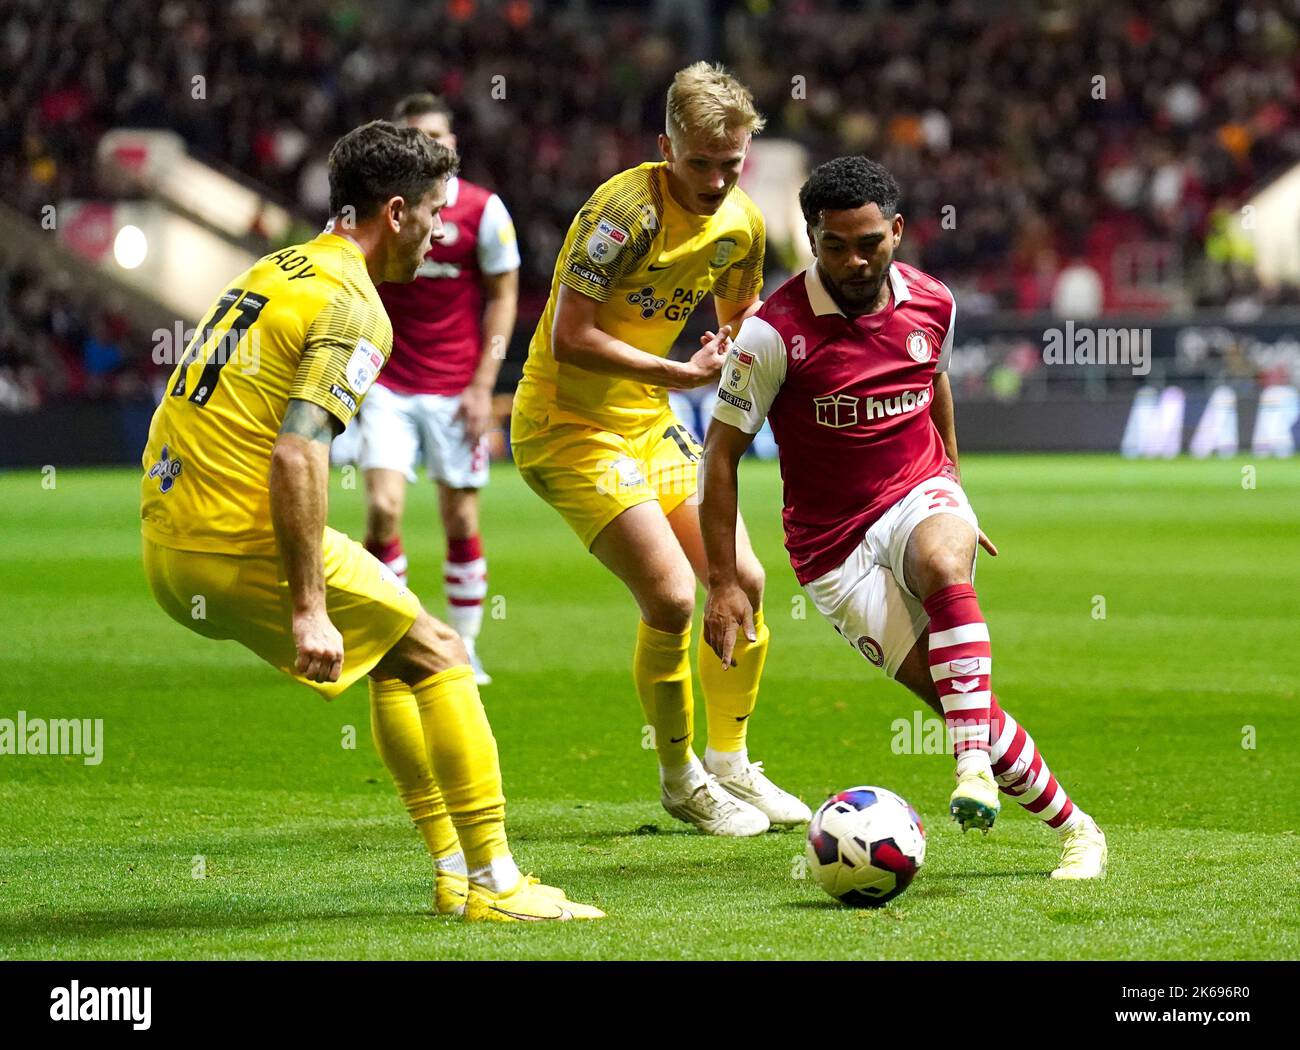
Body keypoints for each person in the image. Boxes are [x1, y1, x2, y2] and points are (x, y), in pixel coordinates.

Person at [140, 120, 603, 920]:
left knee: (397, 657)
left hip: (172, 534)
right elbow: (297, 454)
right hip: (235, 539)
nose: (438, 233)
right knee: (444, 651)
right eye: (432, 215)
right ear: (394, 212)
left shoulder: (279, 267)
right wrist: (309, 606)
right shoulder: (356, 308)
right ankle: (499, 884)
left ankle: (456, 873)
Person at [699, 155, 1107, 878]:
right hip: (832, 549)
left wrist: (951, 482)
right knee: (957, 697)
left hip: (917, 489)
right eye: (835, 246)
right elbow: (721, 456)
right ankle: (1071, 820)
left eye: (870, 244)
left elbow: (934, 383)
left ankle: (991, 781)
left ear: (897, 230)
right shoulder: (771, 333)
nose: (855, 262)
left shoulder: (933, 302)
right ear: (811, 239)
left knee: (947, 563)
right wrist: (725, 582)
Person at [511, 62, 809, 836]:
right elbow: (569, 338)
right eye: (699, 163)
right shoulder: (622, 213)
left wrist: (743, 344)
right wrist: (682, 372)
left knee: (742, 576)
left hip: (646, 418)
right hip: (565, 423)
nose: (714, 181)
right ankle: (680, 779)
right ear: (665, 146)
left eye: (730, 164)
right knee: (676, 596)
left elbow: (740, 314)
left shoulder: (742, 221)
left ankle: (731, 762)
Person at [361, 92, 520, 687]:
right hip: (386, 383)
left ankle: (467, 646)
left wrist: (485, 384)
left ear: (454, 145)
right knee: (381, 509)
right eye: (415, 136)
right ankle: (400, 637)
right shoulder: (381, 210)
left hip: (457, 386)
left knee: (458, 518)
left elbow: (503, 296)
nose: (429, 145)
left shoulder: (485, 211)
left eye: (438, 136)